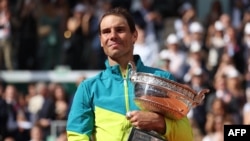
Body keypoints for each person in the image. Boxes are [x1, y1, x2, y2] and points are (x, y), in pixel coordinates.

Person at [66, 7, 193, 141]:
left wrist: (161, 123)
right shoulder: (88, 88)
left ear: (134, 36)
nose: (112, 36)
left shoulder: (162, 79)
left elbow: (187, 136)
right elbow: (77, 137)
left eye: (120, 30)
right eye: (106, 32)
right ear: (101, 41)